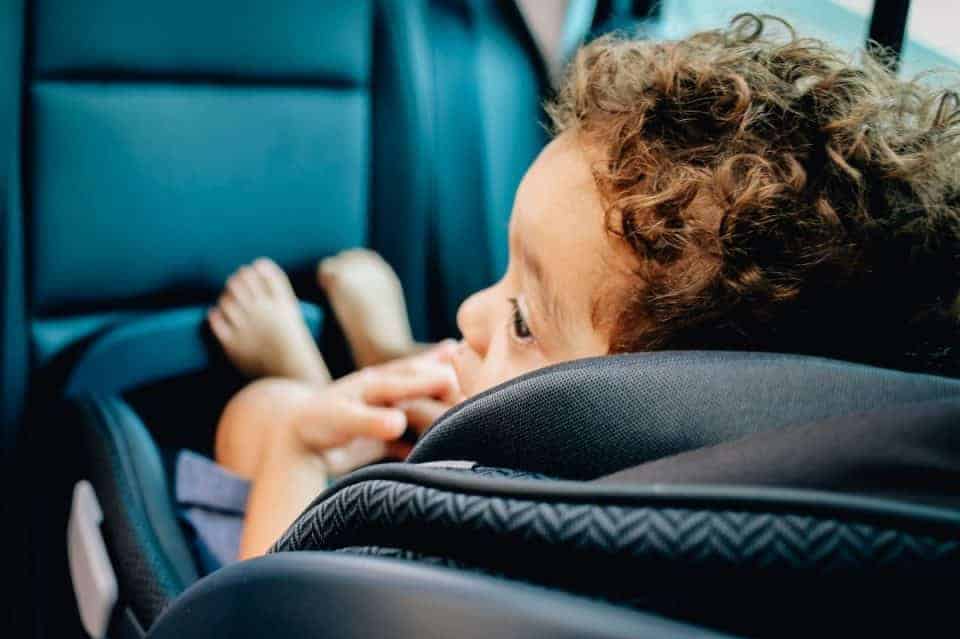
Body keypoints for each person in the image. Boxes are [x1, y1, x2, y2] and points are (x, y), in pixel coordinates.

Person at [195, 14, 960, 560]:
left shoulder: (488, 557)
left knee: (266, 413)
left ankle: (317, 377)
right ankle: (386, 354)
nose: (470, 308)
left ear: (652, 417)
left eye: (523, 319)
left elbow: (265, 613)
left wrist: (298, 450)